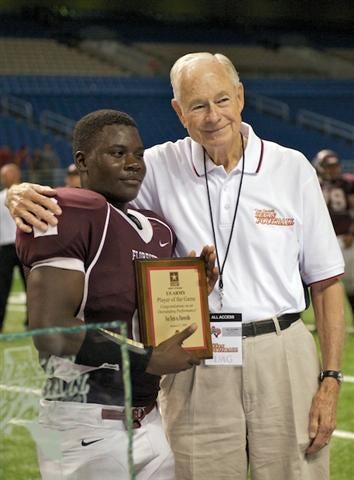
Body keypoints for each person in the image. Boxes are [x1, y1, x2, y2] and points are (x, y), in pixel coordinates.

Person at [7, 53, 345, 480]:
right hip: (195, 355)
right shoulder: (154, 166)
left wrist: (331, 378)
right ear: (177, 110)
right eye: (198, 104)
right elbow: (93, 186)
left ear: (240, 97)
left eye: (222, 99)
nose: (212, 116)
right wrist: (17, 192)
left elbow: (327, 280)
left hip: (280, 348)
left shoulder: (291, 167)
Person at [15, 109, 217, 480]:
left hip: (149, 418)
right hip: (82, 422)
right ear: (82, 161)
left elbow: (140, 315)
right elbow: (52, 332)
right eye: (117, 153)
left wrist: (192, 297)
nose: (133, 164)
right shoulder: (68, 210)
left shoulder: (156, 229)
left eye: (138, 154)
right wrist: (147, 359)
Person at [312, 149, 354, 318]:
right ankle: (321, 321)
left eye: (335, 166)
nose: (333, 169)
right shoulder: (313, 184)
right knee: (320, 284)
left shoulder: (347, 183)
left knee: (351, 285)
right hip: (323, 240)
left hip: (345, 238)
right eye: (328, 166)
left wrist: (352, 231)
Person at [0, 163, 27, 331]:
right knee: (2, 287)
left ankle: (33, 322)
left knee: (32, 287)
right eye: (3, 175)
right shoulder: (0, 197)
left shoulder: (28, 195)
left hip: (25, 246)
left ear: (16, 175)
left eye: (7, 174)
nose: (5, 177)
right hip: (5, 248)